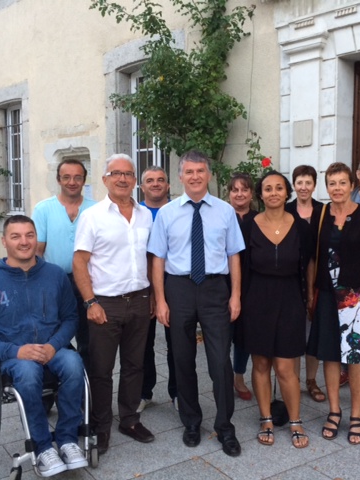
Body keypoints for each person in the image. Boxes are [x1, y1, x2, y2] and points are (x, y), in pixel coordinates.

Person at [0, 215, 87, 477]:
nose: (24, 242)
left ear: (36, 238)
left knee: (74, 363)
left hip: (52, 349)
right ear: (4, 242)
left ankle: (67, 439)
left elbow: (70, 318)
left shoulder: (55, 275)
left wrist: (54, 345)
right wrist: (16, 351)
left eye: (29, 235)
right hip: (13, 356)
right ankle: (42, 447)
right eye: (16, 236)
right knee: (28, 372)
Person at [148, 150, 245, 457]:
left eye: (200, 171)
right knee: (182, 359)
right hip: (179, 289)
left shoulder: (225, 211)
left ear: (209, 174)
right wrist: (160, 300)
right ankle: (191, 421)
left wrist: (235, 295)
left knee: (220, 361)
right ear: (180, 177)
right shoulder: (167, 213)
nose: (194, 176)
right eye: (188, 172)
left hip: (215, 289)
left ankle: (225, 426)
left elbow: (234, 255)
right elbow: (158, 259)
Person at [73, 154, 155, 455]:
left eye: (128, 174)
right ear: (105, 179)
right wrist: (90, 302)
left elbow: (151, 258)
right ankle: (101, 425)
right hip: (105, 304)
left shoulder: (145, 215)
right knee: (101, 369)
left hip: (140, 300)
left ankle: (129, 420)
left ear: (135, 181)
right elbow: (79, 261)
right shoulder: (92, 216)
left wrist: (154, 295)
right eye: (116, 173)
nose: (122, 178)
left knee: (135, 365)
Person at [307, 162, 360, 445]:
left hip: (358, 297)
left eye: (342, 182)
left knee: (356, 358)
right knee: (329, 355)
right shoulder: (321, 216)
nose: (337, 188)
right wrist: (310, 294)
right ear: (326, 187)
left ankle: (355, 415)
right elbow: (312, 258)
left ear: (352, 185)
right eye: (332, 183)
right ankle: (334, 411)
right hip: (328, 296)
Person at [239, 171, 313, 448]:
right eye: (268, 188)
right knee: (260, 364)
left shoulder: (301, 227)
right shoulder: (248, 226)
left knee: (285, 367)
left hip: (290, 299)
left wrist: (309, 298)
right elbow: (239, 265)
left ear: (287, 193)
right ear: (260, 194)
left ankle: (295, 421)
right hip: (256, 300)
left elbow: (309, 264)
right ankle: (266, 419)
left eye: (279, 188)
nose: (273, 193)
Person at [32, 159, 96, 369]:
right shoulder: (44, 209)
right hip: (55, 282)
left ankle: (87, 385)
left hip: (89, 282)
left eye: (77, 177)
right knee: (56, 336)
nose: (72, 182)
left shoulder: (95, 209)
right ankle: (63, 378)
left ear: (84, 180)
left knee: (89, 339)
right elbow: (37, 251)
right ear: (58, 179)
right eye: (66, 177)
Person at [285, 165, 329, 399]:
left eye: (308, 182)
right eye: (299, 182)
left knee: (314, 333)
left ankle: (311, 380)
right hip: (292, 279)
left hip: (320, 278)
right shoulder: (286, 210)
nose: (303, 187)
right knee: (294, 333)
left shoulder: (324, 211)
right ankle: (292, 380)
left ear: (314, 185)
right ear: (294, 185)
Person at [137, 165, 178, 413]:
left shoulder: (178, 211)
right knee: (143, 343)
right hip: (143, 286)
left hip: (174, 283)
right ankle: (144, 392)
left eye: (160, 179)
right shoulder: (135, 213)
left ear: (168, 185)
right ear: (142, 186)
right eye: (150, 180)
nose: (155, 184)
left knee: (177, 343)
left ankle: (177, 392)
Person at [227, 172, 257, 401]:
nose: (239, 194)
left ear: (251, 194)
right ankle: (223, 375)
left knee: (244, 335)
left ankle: (239, 375)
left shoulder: (259, 220)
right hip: (221, 283)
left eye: (244, 189)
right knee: (222, 333)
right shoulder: (222, 216)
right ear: (228, 193)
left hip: (251, 284)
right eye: (235, 190)